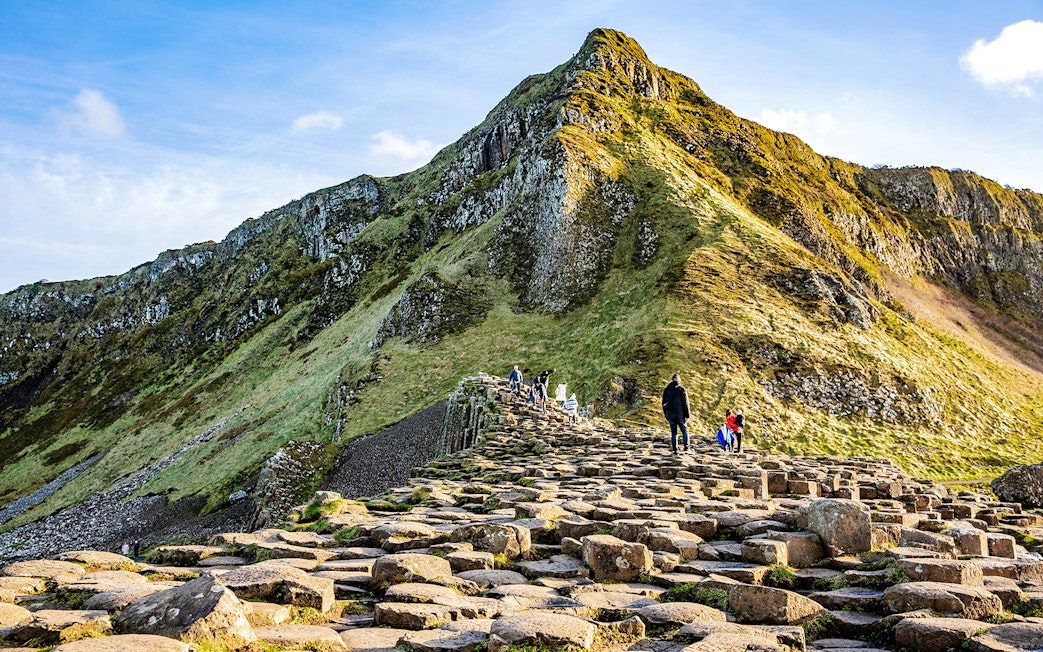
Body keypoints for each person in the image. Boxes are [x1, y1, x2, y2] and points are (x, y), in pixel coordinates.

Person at [661, 373, 690, 454]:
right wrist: (687, 415)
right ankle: (686, 448)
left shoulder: (666, 390)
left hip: (670, 415)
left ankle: (675, 450)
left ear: (672, 379)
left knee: (674, 433)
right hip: (680, 415)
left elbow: (663, 403)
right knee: (685, 431)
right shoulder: (681, 389)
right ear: (679, 380)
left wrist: (666, 415)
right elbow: (685, 403)